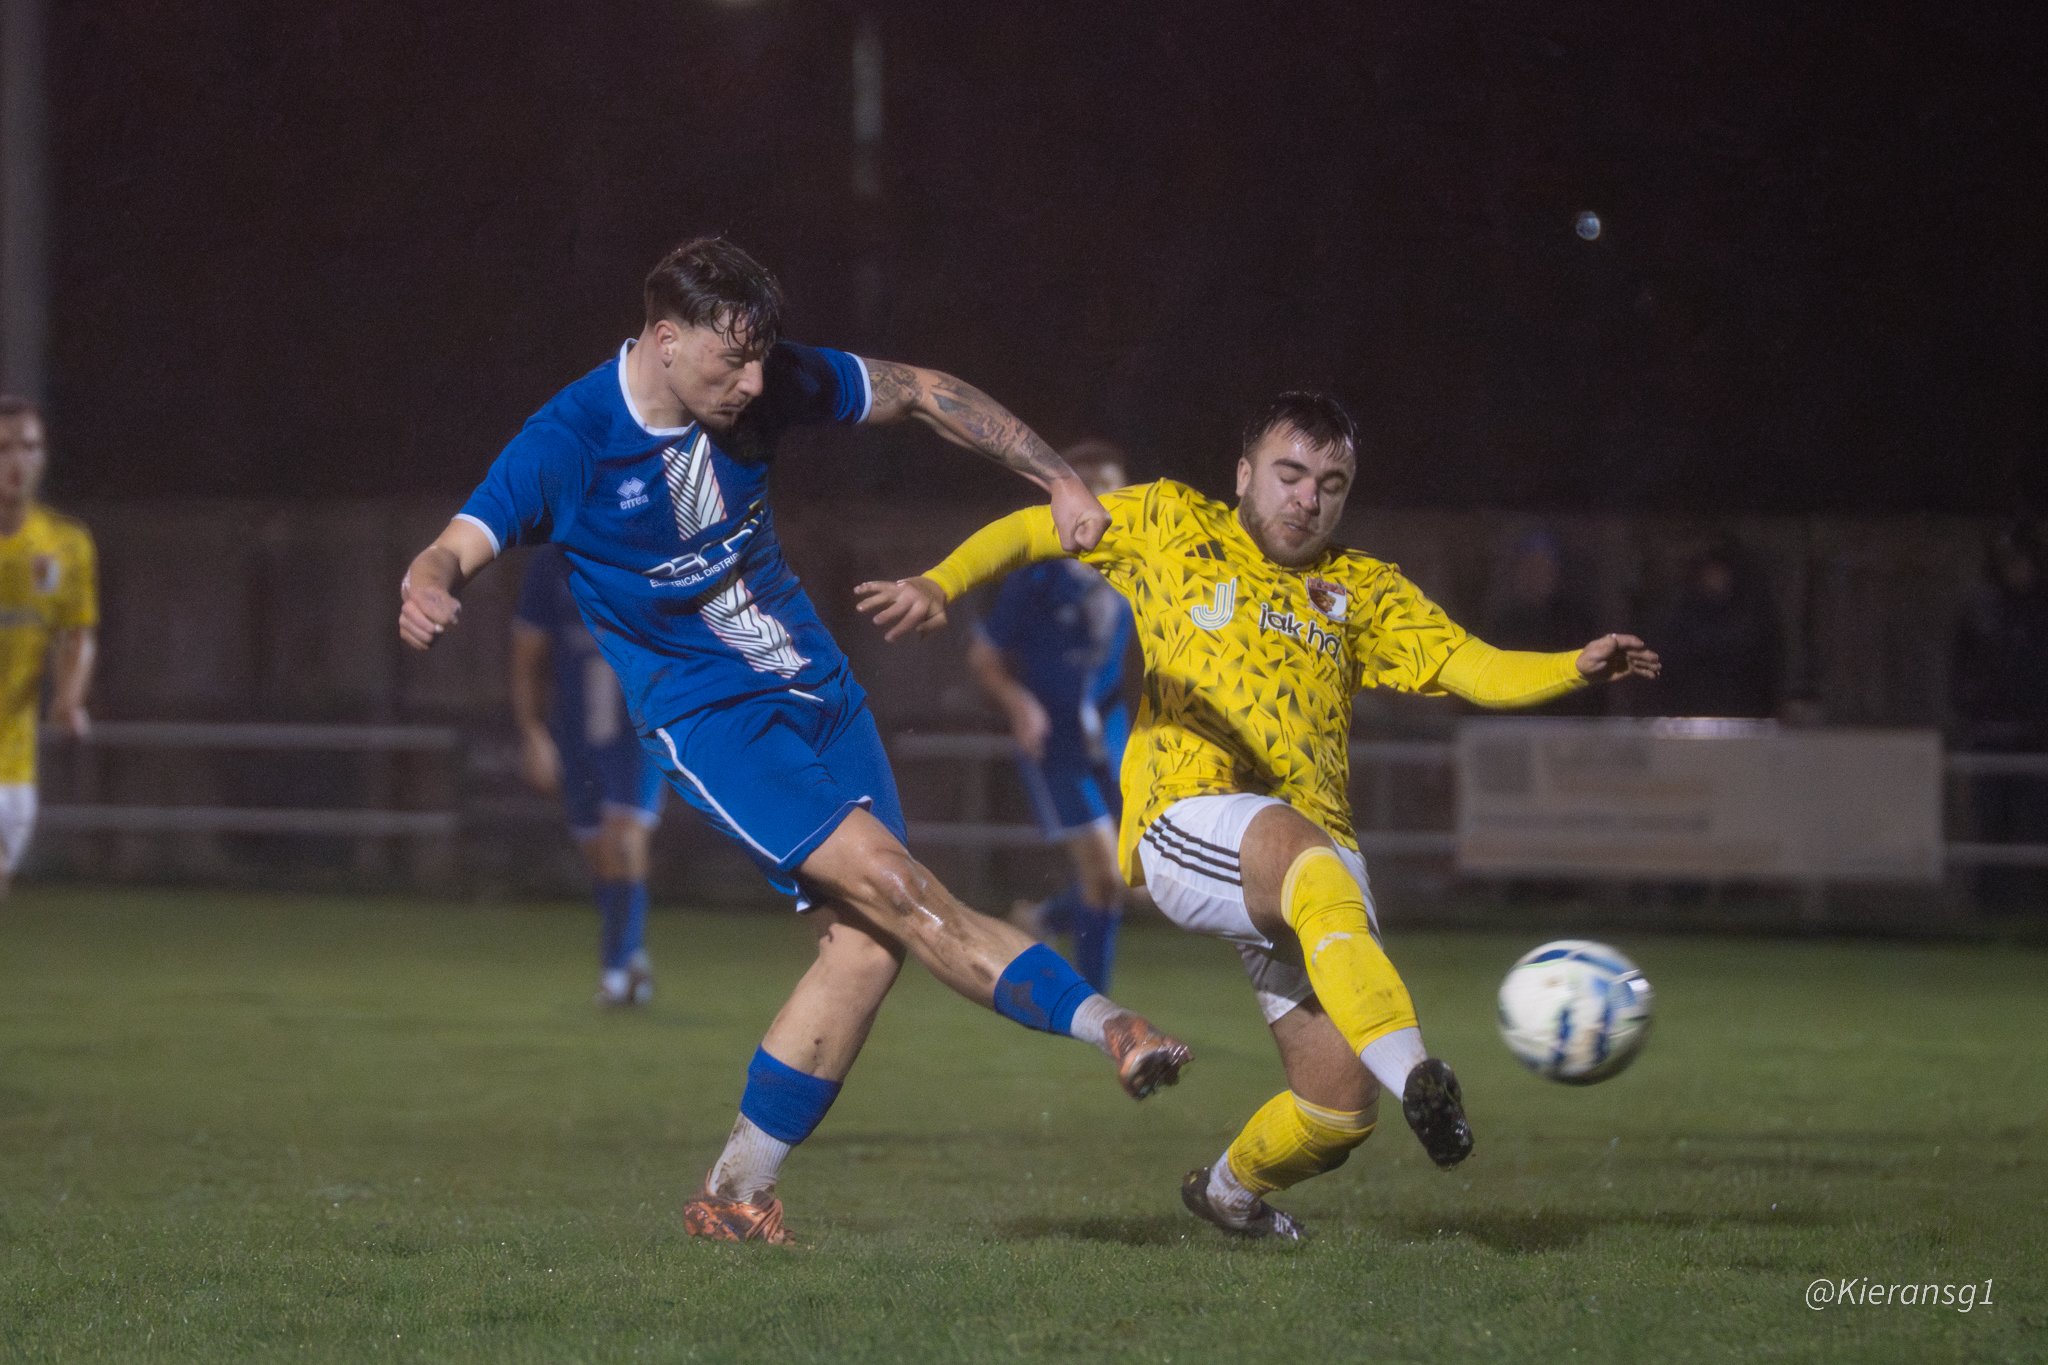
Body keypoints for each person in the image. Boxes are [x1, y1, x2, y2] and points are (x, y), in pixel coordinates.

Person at [398, 238, 1189, 1244]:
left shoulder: (755, 378)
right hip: (711, 719)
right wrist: (427, 583)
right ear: (666, 340)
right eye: (733, 363)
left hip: (820, 690)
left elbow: (921, 390)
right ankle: (1108, 1025)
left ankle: (732, 1192)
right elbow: (460, 539)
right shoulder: (567, 441)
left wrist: (1054, 482)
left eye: (763, 359)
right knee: (901, 891)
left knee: (864, 951)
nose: (757, 382)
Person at [860, 391, 1659, 1240]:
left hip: (1305, 857)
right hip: (1189, 811)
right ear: (1244, 474)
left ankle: (1230, 1189)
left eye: (1330, 483)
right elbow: (1036, 524)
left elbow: (1473, 665)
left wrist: (1574, 665)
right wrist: (938, 580)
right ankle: (1422, 1073)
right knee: (1310, 864)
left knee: (1337, 1111)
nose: (1307, 497)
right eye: (1289, 474)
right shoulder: (1173, 523)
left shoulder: (1361, 589)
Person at [968, 439, 1134, 990]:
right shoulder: (1038, 574)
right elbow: (985, 655)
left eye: (1111, 487)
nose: (1102, 500)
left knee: (1135, 878)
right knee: (1105, 878)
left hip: (1112, 736)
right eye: (1090, 488)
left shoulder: (1136, 572)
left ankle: (1039, 920)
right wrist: (1021, 704)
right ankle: (1101, 1009)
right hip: (1055, 745)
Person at [511, 545, 666, 1005]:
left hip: (639, 723)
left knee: (625, 838)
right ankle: (632, 953)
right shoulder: (552, 563)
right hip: (575, 726)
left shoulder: (648, 556)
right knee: (599, 851)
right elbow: (527, 652)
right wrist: (533, 732)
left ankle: (614, 976)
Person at [0, 396, 98, 899]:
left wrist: (69, 698)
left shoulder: (65, 545)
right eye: (3, 449)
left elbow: (75, 633)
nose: (16, 461)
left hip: (13, 771)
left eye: (29, 447)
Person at [1950, 525, 2048, 909]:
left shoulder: (2041, 608)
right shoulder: (1979, 606)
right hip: (1990, 734)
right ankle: (1987, 910)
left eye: (2023, 562)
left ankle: (2037, 913)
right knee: (1989, 828)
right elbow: (1961, 666)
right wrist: (1972, 707)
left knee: (2038, 828)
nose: (2017, 571)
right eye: (2009, 563)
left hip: (2037, 735)